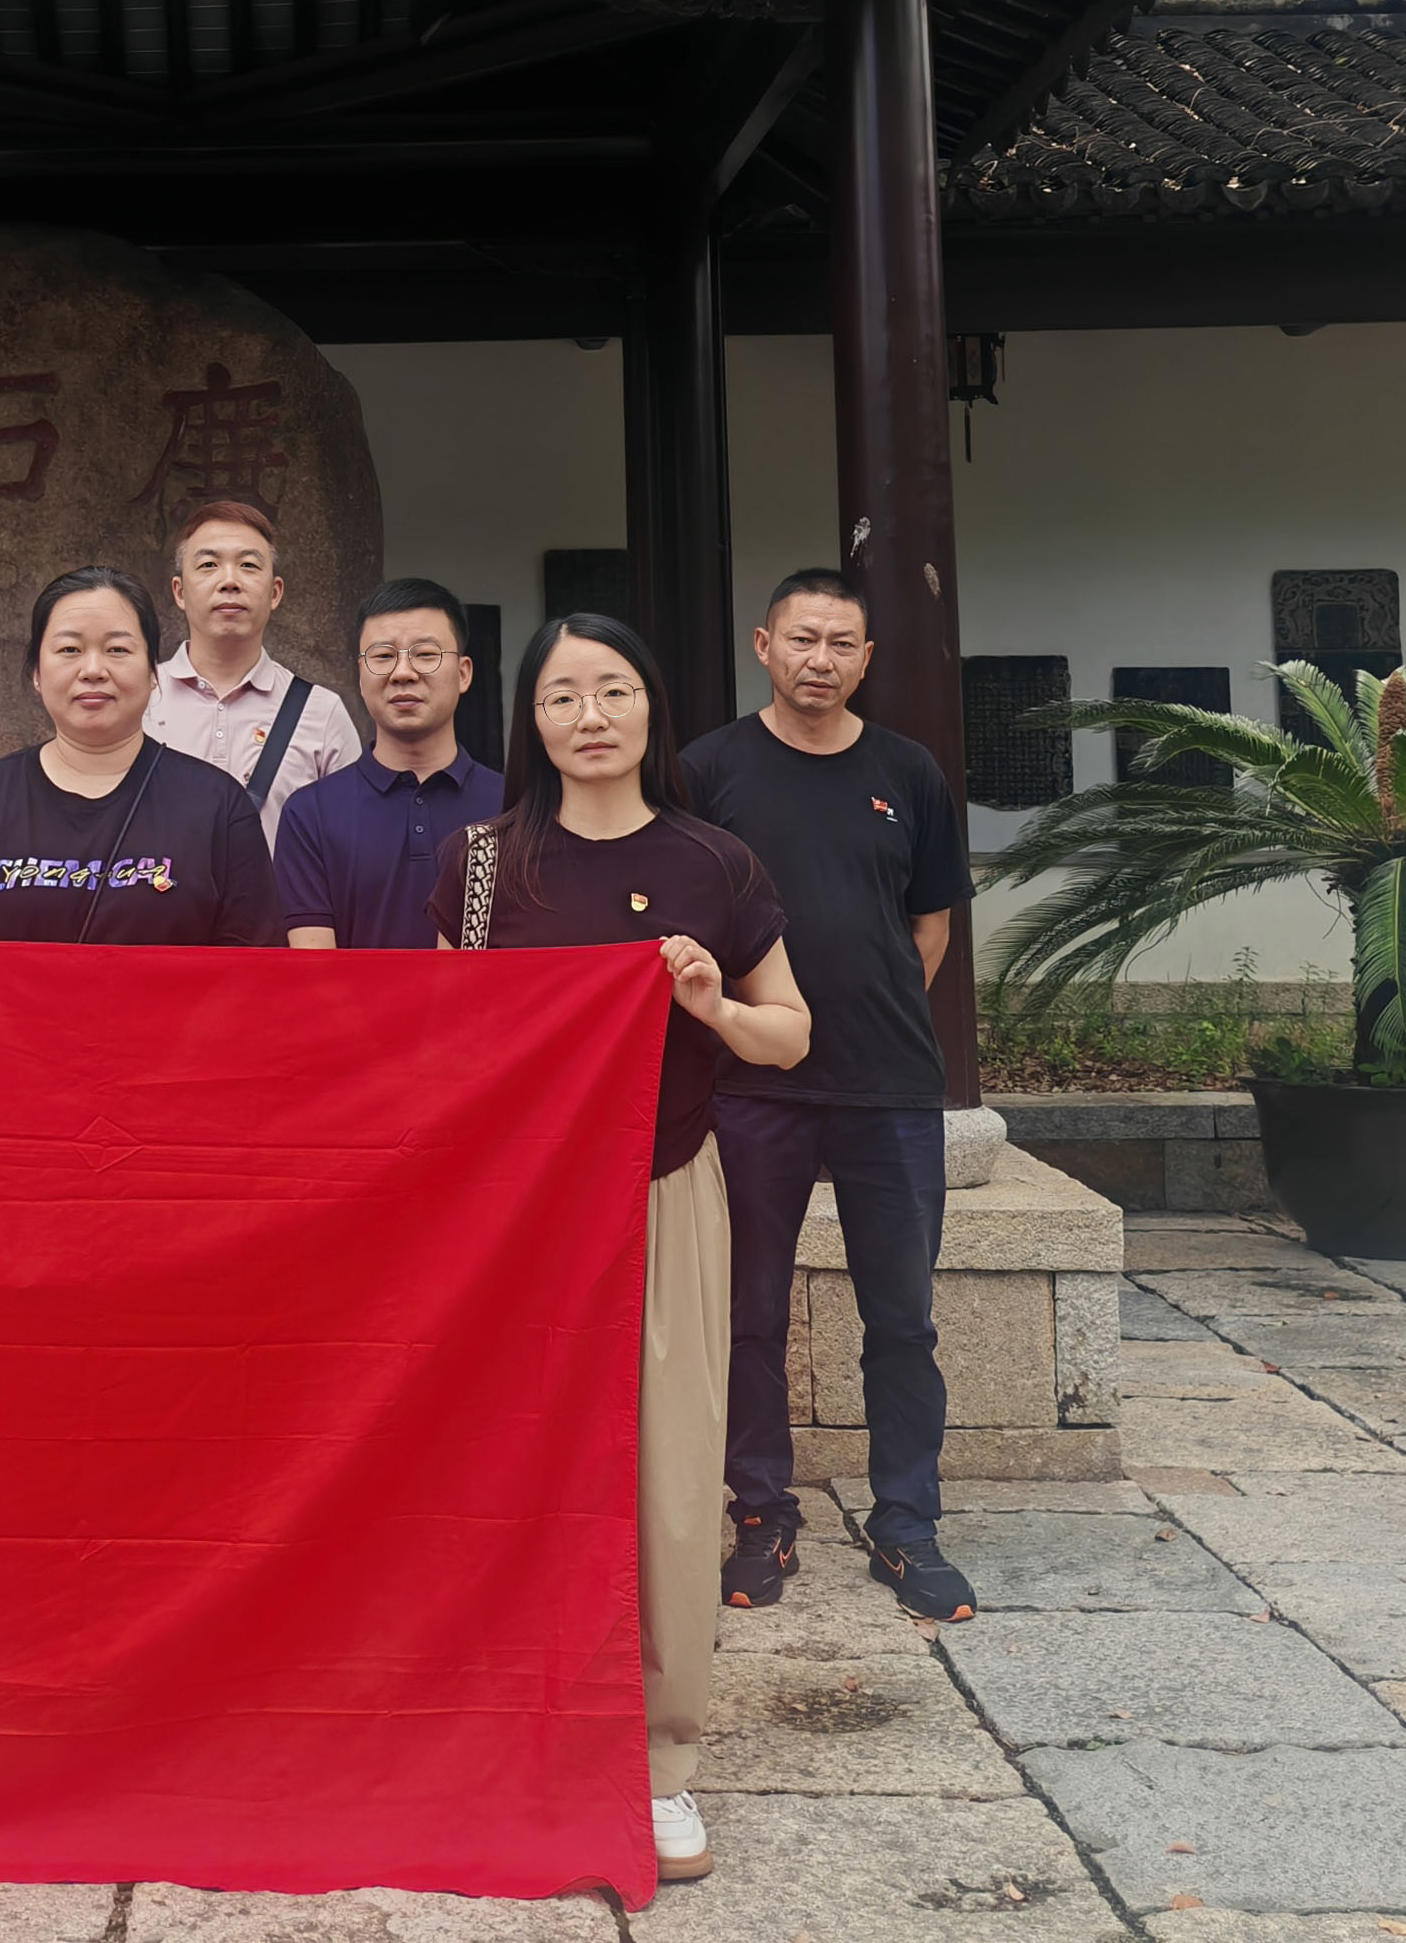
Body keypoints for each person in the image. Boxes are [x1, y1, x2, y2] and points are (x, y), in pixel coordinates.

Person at [429, 611, 807, 1891]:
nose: (588, 716)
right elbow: (443, 1039)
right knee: (498, 1467)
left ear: (651, 706)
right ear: (528, 720)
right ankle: (502, 1730)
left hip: (661, 1192)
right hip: (516, 1213)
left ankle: (660, 1759)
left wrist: (712, 1004)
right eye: (560, 696)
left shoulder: (714, 863)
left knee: (670, 1478)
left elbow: (790, 1034)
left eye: (612, 691)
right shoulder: (480, 866)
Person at [679, 569, 979, 1626]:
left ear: (865, 658)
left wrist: (862, 1010)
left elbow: (930, 925)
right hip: (752, 1087)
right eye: (801, 639)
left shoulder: (907, 771)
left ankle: (907, 1521)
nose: (820, 660)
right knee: (749, 1314)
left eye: (841, 643)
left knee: (901, 1317)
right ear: (763, 645)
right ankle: (761, 1513)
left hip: (887, 1086)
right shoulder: (708, 769)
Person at [0, 568, 288, 946]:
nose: (93, 670)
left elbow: (253, 964)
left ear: (153, 672)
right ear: (36, 673)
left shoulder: (218, 805)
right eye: (70, 650)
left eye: (117, 649)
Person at [278, 580, 498, 950]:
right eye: (382, 657)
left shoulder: (513, 807)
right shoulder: (309, 815)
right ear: (360, 676)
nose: (403, 673)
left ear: (463, 673)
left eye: (425, 654)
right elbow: (314, 970)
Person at [143, 498, 360, 845]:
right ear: (179, 592)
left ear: (275, 593)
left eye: (248, 565)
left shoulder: (321, 712)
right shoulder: (138, 699)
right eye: (209, 565)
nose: (229, 581)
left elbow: (349, 843)